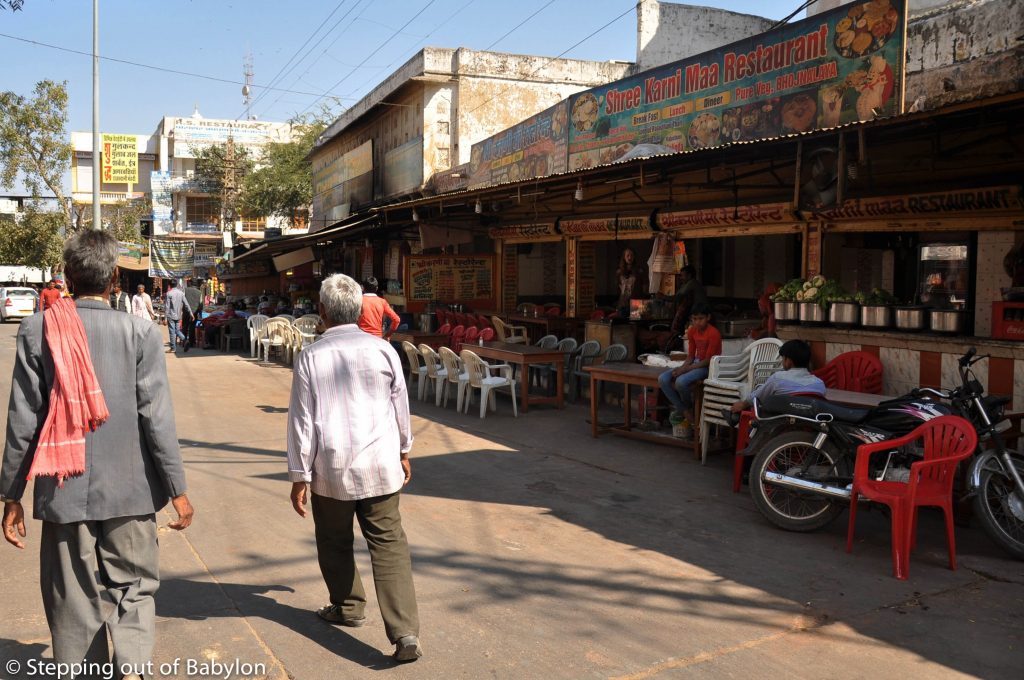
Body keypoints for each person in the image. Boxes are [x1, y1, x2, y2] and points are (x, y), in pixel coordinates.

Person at [1, 230, 193, 679]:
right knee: (135, 588)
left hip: (63, 490)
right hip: (131, 490)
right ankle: (132, 667)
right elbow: (156, 419)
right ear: (113, 280)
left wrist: (11, 494)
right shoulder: (141, 332)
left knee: (73, 599)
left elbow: (22, 422)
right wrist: (178, 489)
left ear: (67, 276)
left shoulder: (37, 330)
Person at [287, 273, 421, 663]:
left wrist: (299, 475)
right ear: (361, 310)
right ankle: (405, 633)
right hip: (381, 465)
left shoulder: (311, 355)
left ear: (323, 312)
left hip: (332, 469)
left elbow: (301, 420)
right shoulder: (383, 351)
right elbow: (401, 407)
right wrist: (404, 449)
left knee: (334, 540)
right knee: (389, 544)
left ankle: (347, 606)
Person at [658, 303, 721, 430]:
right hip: (695, 362)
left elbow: (708, 360)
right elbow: (691, 356)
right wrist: (681, 368)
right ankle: (686, 411)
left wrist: (686, 369)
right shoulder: (692, 330)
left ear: (708, 317)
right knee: (662, 379)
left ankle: (688, 408)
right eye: (694, 319)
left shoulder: (714, 333)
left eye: (701, 318)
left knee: (681, 382)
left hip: (709, 366)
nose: (697, 322)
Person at [730, 339, 826, 412]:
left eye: (783, 358)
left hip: (781, 423)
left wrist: (742, 404)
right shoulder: (819, 384)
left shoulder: (778, 378)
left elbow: (757, 397)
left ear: (788, 361)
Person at [669, 265, 708, 335]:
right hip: (695, 313)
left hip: (700, 313)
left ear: (689, 276)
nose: (680, 278)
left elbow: (677, 297)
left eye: (682, 276)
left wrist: (662, 296)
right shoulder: (686, 284)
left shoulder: (692, 283)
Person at [615, 247, 645, 318]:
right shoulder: (619, 272)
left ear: (634, 257)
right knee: (623, 325)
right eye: (627, 255)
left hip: (636, 303)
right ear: (624, 257)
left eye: (631, 255)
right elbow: (618, 287)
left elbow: (644, 287)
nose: (629, 257)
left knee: (634, 325)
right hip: (623, 303)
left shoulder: (639, 271)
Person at [164, 280, 192, 354]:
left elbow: (167, 307)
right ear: (176, 285)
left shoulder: (169, 293)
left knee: (172, 332)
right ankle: (185, 340)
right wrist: (191, 313)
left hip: (171, 315)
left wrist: (165, 318)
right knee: (177, 330)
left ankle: (173, 348)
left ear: (169, 285)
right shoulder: (181, 293)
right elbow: (186, 304)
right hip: (179, 315)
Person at [183, 279, 203, 348]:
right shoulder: (199, 292)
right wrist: (200, 314)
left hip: (186, 312)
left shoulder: (185, 290)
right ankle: (192, 343)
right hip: (194, 312)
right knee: (192, 327)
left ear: (190, 283)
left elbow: (182, 300)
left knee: (185, 327)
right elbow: (200, 304)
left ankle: (184, 341)